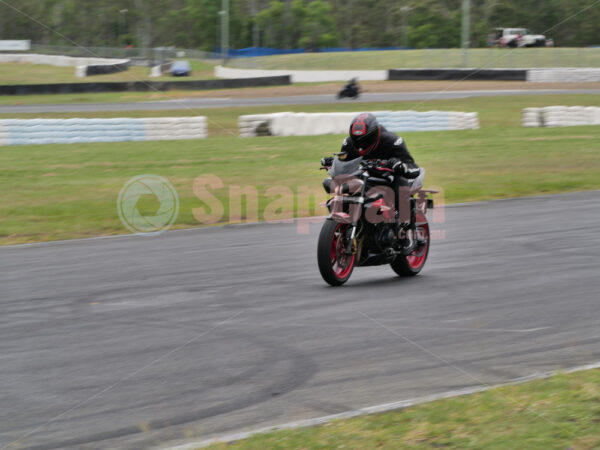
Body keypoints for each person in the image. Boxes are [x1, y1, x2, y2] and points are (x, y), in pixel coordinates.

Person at [322, 112, 423, 228]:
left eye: (365, 140)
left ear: (374, 134)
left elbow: (413, 167)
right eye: (356, 140)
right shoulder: (349, 143)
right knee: (341, 192)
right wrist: (333, 163)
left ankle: (406, 233)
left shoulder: (392, 141)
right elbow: (345, 164)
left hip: (389, 179)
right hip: (364, 179)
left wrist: (400, 166)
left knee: (401, 188)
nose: (360, 144)